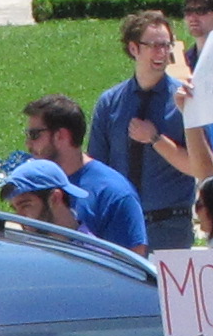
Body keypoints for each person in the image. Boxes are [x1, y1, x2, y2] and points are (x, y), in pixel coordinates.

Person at [92, 9, 207, 251]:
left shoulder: (185, 100)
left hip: (169, 226)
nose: (162, 53)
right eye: (154, 45)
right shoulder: (110, 102)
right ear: (134, 49)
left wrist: (155, 138)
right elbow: (97, 167)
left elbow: (199, 166)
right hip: (120, 224)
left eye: (167, 45)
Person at [22, 96, 146, 247]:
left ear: (61, 136)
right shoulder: (33, 186)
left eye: (34, 135)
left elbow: (132, 261)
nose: (28, 144)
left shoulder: (113, 193)